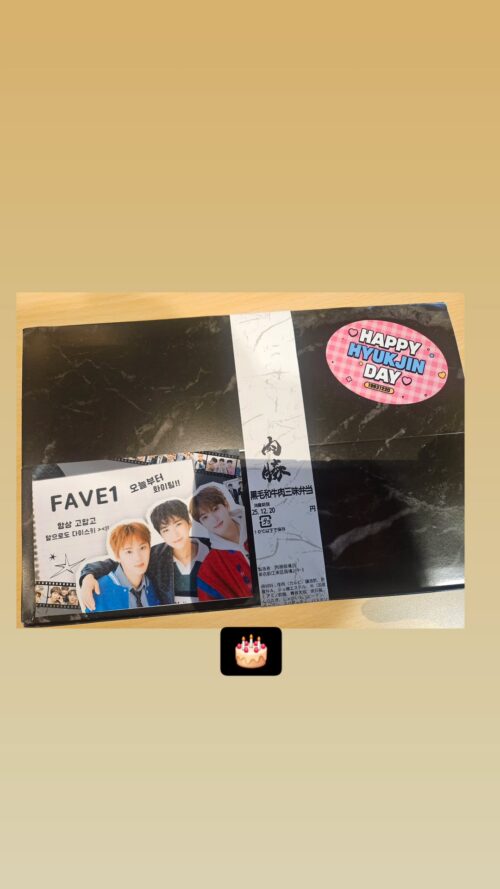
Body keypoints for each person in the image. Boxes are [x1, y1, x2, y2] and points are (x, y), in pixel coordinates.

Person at [79, 517, 176, 611]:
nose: (138, 557)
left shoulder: (152, 584)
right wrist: (87, 576)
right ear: (117, 556)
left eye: (142, 548)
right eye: (129, 552)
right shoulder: (99, 590)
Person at [189, 485, 253, 601]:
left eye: (215, 509)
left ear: (226, 505)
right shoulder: (209, 570)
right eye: (205, 517)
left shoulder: (257, 527)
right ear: (202, 524)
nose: (214, 519)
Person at [148, 499, 209, 603]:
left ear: (189, 523)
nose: (174, 534)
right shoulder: (154, 557)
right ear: (161, 535)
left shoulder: (213, 548)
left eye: (178, 524)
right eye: (166, 530)